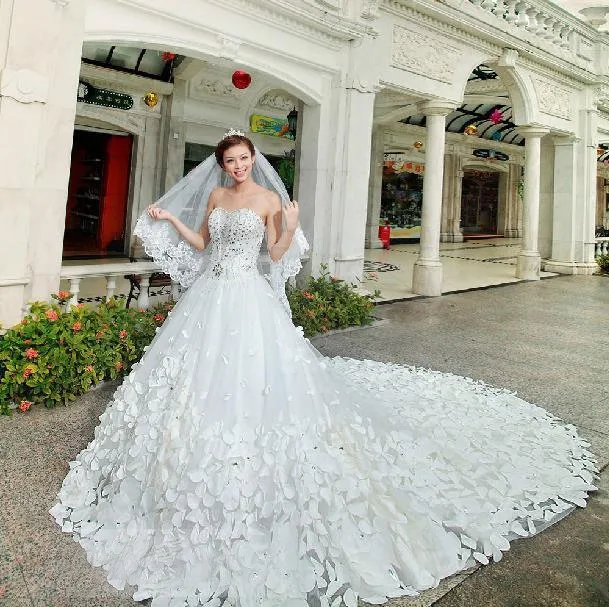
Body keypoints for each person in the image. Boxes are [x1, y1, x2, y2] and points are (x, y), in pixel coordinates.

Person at [51, 131, 597, 607]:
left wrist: (290, 224)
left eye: (244, 159)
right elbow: (202, 246)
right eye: (231, 161)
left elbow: (277, 253)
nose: (238, 167)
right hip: (211, 297)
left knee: (258, 380)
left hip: (248, 298)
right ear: (222, 165)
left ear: (253, 158)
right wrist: (172, 219)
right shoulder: (216, 196)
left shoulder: (268, 198)